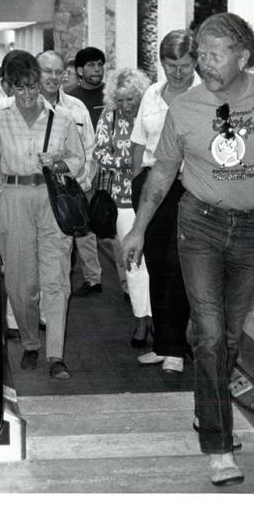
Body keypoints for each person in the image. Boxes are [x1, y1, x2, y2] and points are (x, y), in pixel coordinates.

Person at [121, 12, 254, 486]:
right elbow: (162, 172)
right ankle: (219, 446)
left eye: (213, 53)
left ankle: (209, 410)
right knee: (208, 333)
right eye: (199, 52)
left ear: (243, 56)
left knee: (227, 335)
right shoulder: (185, 107)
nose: (203, 62)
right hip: (199, 224)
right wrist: (138, 227)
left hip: (252, 230)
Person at [0, 51, 85, 380]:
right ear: (9, 88)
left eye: (34, 87)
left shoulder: (60, 118)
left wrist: (58, 163)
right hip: (13, 200)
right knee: (22, 285)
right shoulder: (0, 120)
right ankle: (31, 341)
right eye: (22, 88)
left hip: (52, 200)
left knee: (57, 280)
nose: (30, 94)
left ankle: (56, 355)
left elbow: (78, 160)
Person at [129, 30, 203, 373]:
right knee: (156, 265)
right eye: (170, 64)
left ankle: (176, 346)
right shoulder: (152, 95)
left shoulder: (207, 96)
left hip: (189, 187)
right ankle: (163, 343)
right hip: (151, 186)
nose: (177, 72)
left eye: (184, 65)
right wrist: (136, 184)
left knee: (179, 266)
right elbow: (137, 142)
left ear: (196, 61)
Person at [93, 68, 152, 346]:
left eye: (131, 100)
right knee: (133, 262)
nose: (126, 106)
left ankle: (160, 319)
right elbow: (100, 152)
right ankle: (142, 319)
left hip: (155, 195)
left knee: (159, 262)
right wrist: (129, 163)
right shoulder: (109, 116)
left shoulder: (152, 115)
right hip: (123, 198)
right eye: (121, 100)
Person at [66, 46, 108, 298]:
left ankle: (128, 286)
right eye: (92, 65)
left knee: (110, 229)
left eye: (100, 65)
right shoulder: (70, 99)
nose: (97, 70)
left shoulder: (112, 96)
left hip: (111, 171)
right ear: (80, 70)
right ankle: (92, 279)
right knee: (82, 227)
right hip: (81, 173)